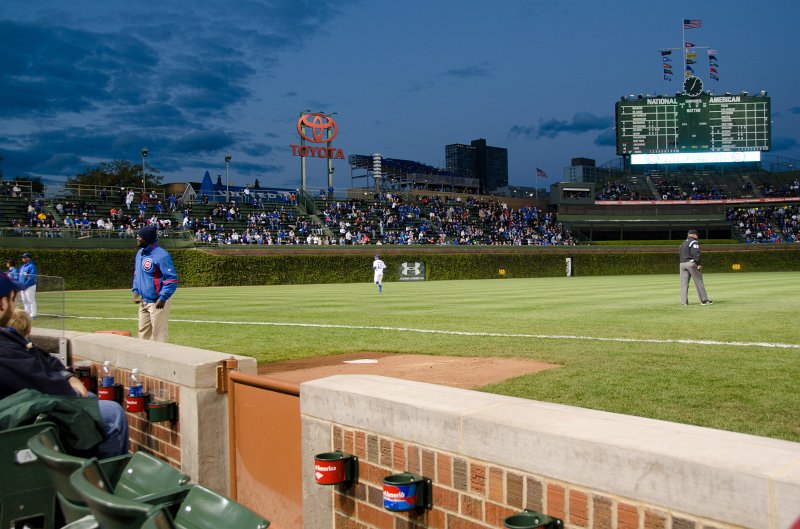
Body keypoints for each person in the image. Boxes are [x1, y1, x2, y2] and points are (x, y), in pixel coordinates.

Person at [0, 274, 129, 457]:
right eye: (13, 300)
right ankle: (95, 482)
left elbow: (41, 357)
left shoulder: (7, 337)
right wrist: (73, 390)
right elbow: (49, 384)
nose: (14, 306)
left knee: (92, 399)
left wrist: (68, 376)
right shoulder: (5, 347)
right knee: (112, 414)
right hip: (17, 430)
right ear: (3, 304)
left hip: (15, 416)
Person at [132, 225, 179, 341]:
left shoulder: (162, 255)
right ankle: (143, 357)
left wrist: (163, 298)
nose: (137, 238)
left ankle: (161, 358)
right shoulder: (140, 254)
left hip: (157, 301)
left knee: (159, 335)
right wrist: (136, 291)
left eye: (139, 236)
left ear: (146, 238)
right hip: (144, 301)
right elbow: (137, 274)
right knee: (143, 333)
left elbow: (171, 279)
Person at [679, 229, 713, 306]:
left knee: (684, 284)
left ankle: (684, 302)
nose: (697, 236)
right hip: (691, 263)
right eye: (696, 235)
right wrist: (698, 264)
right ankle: (704, 300)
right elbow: (695, 253)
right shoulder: (694, 242)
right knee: (699, 281)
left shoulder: (683, 243)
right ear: (693, 235)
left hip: (682, 264)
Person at [19, 252, 38, 319]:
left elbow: (32, 277)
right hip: (22, 286)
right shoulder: (22, 266)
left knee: (31, 300)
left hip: (30, 286)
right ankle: (27, 313)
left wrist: (26, 285)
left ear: (28, 258)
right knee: (24, 300)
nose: (22, 258)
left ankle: (33, 314)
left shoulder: (32, 266)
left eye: (23, 257)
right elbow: (20, 276)